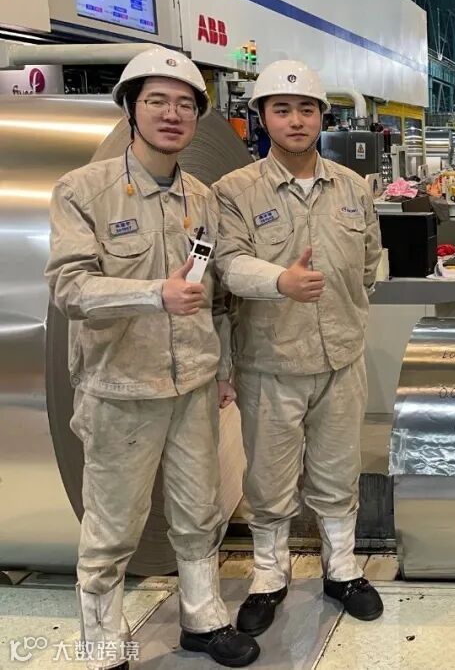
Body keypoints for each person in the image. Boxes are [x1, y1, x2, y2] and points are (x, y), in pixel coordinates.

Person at [45, 47, 260, 669]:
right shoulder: (84, 191)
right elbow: (70, 288)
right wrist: (151, 294)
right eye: (157, 101)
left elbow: (215, 297)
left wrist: (222, 370)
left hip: (192, 385)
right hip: (120, 389)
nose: (172, 114)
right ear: (131, 110)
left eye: (185, 104)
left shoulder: (201, 197)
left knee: (199, 510)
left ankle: (202, 617)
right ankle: (103, 642)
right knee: (113, 525)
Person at [213, 60, 384, 637]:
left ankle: (342, 569)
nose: (295, 120)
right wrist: (280, 281)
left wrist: (346, 312)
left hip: (341, 359)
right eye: (282, 109)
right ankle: (269, 575)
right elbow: (228, 266)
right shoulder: (234, 192)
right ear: (262, 117)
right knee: (269, 478)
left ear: (321, 117)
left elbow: (368, 265)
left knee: (338, 470)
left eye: (306, 109)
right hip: (270, 361)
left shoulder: (353, 187)